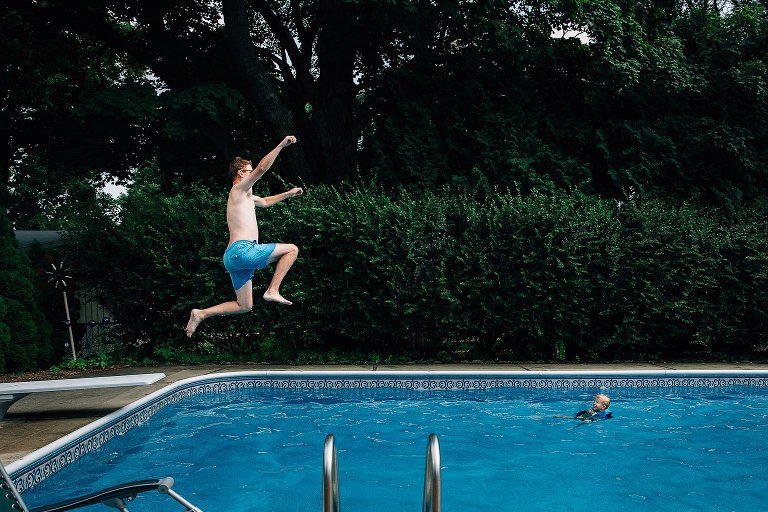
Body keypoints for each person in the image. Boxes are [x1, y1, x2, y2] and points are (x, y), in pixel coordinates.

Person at [185, 136, 302, 337]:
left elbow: (264, 201)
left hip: (234, 258)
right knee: (292, 249)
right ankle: (272, 290)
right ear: (241, 173)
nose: (252, 172)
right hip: (243, 250)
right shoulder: (238, 189)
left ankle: (201, 314)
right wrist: (281, 145)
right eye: (249, 170)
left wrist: (288, 194)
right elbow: (262, 169)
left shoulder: (246, 197)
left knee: (244, 305)